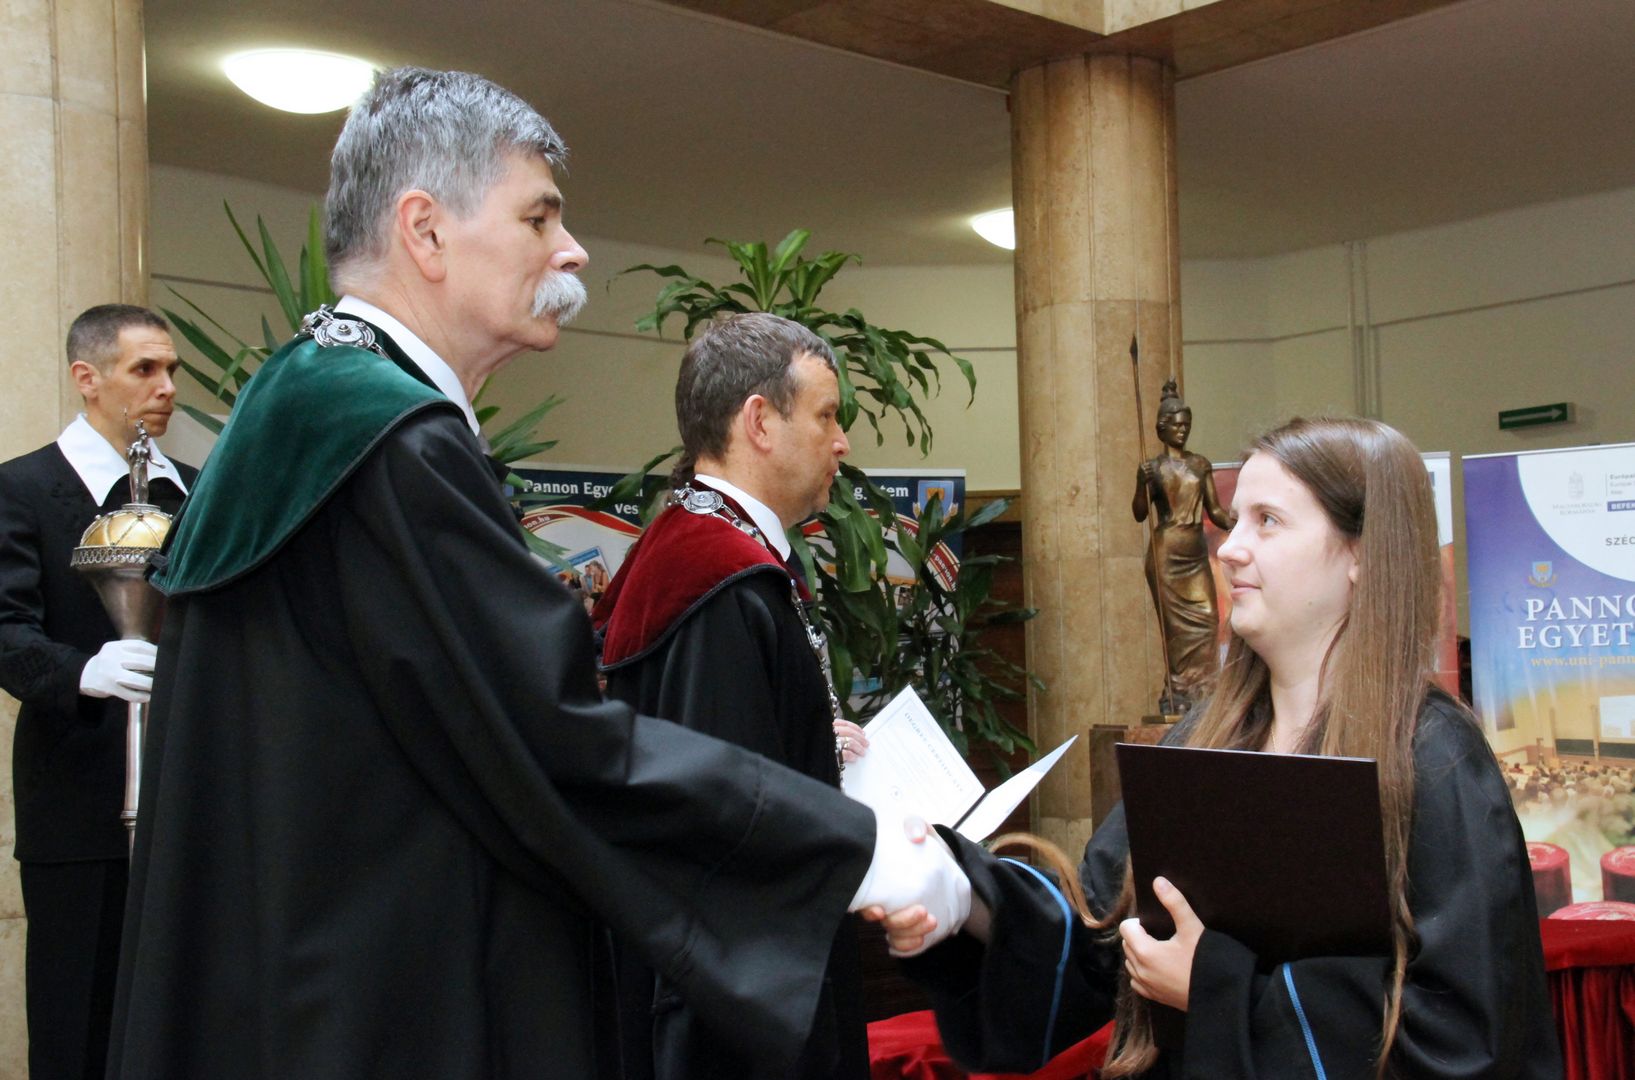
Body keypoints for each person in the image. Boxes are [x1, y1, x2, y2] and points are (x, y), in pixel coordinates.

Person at [106, 67, 969, 1080]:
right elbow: (551, 740)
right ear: (426, 232)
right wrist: (859, 848)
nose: (571, 250)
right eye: (538, 217)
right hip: (391, 996)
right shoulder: (391, 440)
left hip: (300, 975)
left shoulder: (304, 400)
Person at [879, 417, 1562, 1078]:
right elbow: (1100, 937)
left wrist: (1215, 988)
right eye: (1235, 520)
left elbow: (1461, 1035)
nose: (1229, 548)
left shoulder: (1434, 756)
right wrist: (963, 897)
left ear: (1361, 554)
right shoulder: (1206, 737)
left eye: (1268, 521)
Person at [593, 312, 871, 1080]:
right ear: (759, 422)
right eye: (825, 415)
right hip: (737, 1017)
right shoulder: (717, 581)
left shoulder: (697, 547)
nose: (842, 442)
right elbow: (726, 830)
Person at [0, 304, 196, 1080]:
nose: (167, 386)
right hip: (76, 799)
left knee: (187, 1021)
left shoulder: (200, 495)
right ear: (88, 377)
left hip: (192, 798)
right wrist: (84, 672)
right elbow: (3, 626)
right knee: (77, 1021)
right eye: (144, 369)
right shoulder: (21, 488)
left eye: (172, 369)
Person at [1130, 379, 1234, 711]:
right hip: (1167, 554)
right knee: (1176, 634)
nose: (1181, 430)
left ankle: (1205, 693)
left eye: (1186, 425)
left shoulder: (1199, 464)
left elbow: (1215, 511)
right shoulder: (1154, 468)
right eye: (1175, 425)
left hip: (1195, 553)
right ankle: (1178, 695)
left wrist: (1241, 525)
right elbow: (1139, 513)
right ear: (1161, 429)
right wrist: (1142, 484)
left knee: (1208, 619)